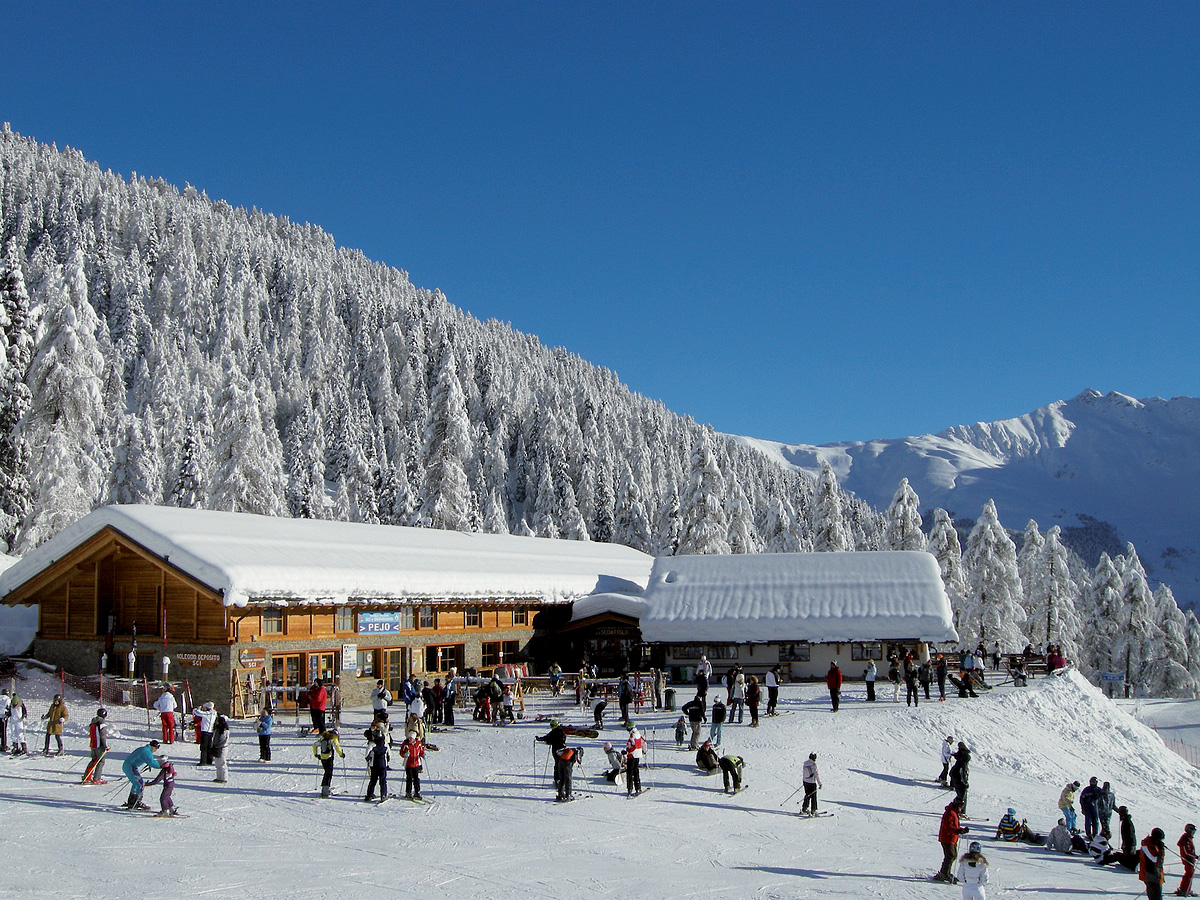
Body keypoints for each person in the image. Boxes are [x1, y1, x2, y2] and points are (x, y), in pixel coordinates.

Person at [536, 720, 573, 802]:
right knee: (557, 765)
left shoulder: (560, 731)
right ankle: (557, 779)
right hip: (555, 751)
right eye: (551, 726)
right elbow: (547, 737)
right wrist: (540, 739)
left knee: (560, 765)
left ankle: (560, 780)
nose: (552, 727)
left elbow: (561, 740)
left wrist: (550, 741)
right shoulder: (553, 731)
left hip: (561, 751)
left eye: (553, 726)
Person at [121, 740, 162, 810]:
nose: (156, 750)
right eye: (156, 748)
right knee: (140, 783)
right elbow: (152, 762)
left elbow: (149, 760)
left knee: (136, 783)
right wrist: (162, 766)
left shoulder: (145, 749)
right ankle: (137, 802)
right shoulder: (146, 751)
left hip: (130, 766)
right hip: (130, 767)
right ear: (153, 747)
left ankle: (131, 802)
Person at [935, 798, 969, 882]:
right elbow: (949, 826)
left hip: (951, 838)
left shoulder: (953, 812)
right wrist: (958, 831)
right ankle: (944, 874)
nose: (961, 809)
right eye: (961, 806)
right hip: (947, 838)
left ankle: (946, 872)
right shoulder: (950, 813)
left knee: (953, 855)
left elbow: (955, 826)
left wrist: (961, 830)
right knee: (950, 856)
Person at [313, 727, 344, 798]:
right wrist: (341, 754)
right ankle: (325, 790)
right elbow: (337, 747)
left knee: (326, 772)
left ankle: (324, 788)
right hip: (329, 757)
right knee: (329, 773)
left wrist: (316, 754)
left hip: (322, 757)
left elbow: (314, 745)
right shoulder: (333, 739)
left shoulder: (323, 738)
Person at [83, 708, 110, 784]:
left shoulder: (93, 723)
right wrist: (105, 746)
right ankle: (97, 778)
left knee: (94, 760)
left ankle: (86, 777)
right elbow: (103, 736)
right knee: (101, 761)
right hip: (99, 746)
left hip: (93, 745)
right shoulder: (102, 724)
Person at [1142, 827, 1167, 900]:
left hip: (1156, 874)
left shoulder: (1153, 845)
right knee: (1155, 897)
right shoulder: (1146, 846)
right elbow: (1154, 859)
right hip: (1150, 875)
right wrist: (1161, 851)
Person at [364, 732, 389, 802]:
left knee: (373, 780)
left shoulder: (372, 744)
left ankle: (369, 795)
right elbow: (389, 754)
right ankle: (383, 795)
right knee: (383, 781)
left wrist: (368, 759)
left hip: (374, 765)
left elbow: (366, 755)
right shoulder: (385, 744)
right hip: (383, 765)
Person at [624, 722, 646, 796]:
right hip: (638, 755)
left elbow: (633, 746)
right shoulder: (638, 733)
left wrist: (627, 750)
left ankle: (630, 789)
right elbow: (643, 742)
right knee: (636, 771)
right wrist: (644, 751)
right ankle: (638, 788)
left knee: (630, 772)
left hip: (632, 756)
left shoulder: (632, 735)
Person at [193, 701, 217, 766]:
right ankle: (209, 760)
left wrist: (197, 708)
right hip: (211, 732)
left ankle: (203, 761)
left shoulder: (207, 714)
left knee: (204, 747)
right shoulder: (215, 713)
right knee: (209, 747)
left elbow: (196, 712)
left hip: (205, 732)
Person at [949, 742, 971, 816]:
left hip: (956, 780)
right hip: (959, 781)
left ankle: (955, 809)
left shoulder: (959, 761)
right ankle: (960, 812)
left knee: (960, 796)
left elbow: (951, 772)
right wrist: (965, 783)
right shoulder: (962, 766)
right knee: (963, 797)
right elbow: (962, 775)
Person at [1177, 823, 1197, 897]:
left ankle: (1186, 889)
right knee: (1189, 874)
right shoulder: (1185, 839)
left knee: (1189, 874)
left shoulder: (1188, 838)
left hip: (1190, 859)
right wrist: (1195, 856)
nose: (1193, 834)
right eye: (1193, 832)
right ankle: (1184, 890)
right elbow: (1187, 852)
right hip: (1188, 859)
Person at [800, 751, 822, 816]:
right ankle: (813, 810)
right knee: (813, 797)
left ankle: (804, 808)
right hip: (812, 783)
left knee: (807, 795)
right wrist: (820, 783)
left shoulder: (805, 763)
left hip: (805, 781)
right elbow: (816, 774)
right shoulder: (814, 765)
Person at [210, 714, 230, 783]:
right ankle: (219, 777)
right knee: (217, 763)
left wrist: (218, 746)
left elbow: (224, 741)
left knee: (222, 763)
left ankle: (224, 778)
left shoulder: (225, 731)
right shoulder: (217, 729)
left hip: (222, 748)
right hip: (216, 747)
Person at [0, 688, 9, 752]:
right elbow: (8, 707)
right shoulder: (7, 699)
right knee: (3, 731)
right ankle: (3, 745)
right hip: (3, 716)